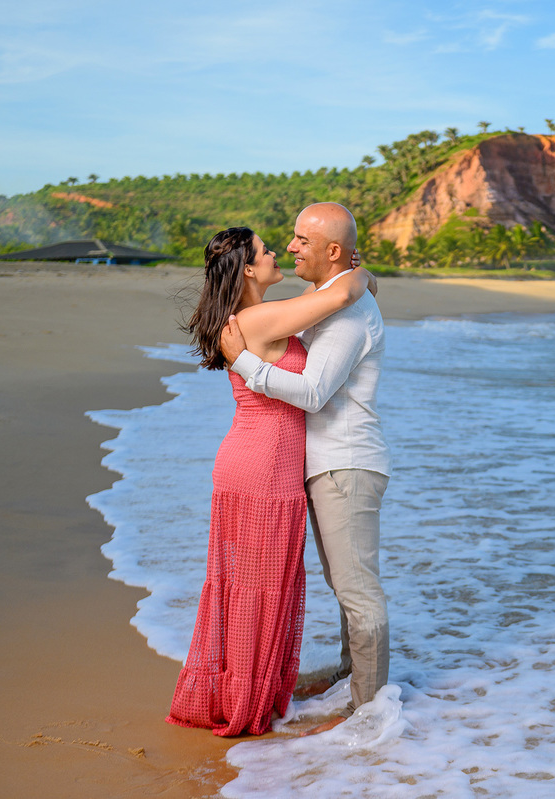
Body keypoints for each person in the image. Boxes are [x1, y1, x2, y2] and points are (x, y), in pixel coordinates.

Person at [167, 226, 374, 737]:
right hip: (263, 467)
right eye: (266, 250)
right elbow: (345, 291)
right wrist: (361, 269)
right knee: (259, 587)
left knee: (253, 587)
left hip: (256, 460)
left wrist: (352, 272)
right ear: (248, 269)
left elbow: (328, 292)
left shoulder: (259, 314)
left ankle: (249, 689)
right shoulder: (261, 317)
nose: (278, 251)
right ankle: (247, 700)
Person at [221, 202, 392, 736]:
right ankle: (350, 677)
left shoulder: (345, 310)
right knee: (344, 585)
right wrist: (356, 276)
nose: (290, 247)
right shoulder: (329, 297)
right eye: (287, 241)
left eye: (301, 239)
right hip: (323, 464)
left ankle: (367, 709)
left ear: (333, 251)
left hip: (345, 462)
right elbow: (332, 292)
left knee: (357, 589)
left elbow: (315, 393)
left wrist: (244, 363)